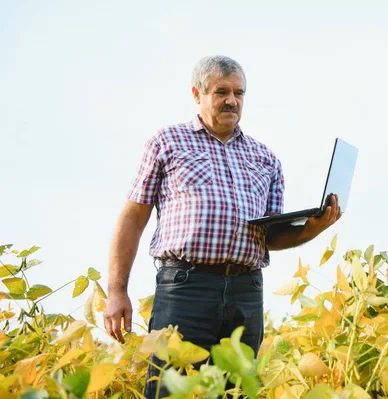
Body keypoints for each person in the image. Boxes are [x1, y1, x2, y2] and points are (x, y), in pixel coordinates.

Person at [103, 55, 341, 398]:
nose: (232, 100)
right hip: (185, 287)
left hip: (247, 290)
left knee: (236, 391)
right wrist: (116, 291)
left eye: (239, 93)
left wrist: (314, 228)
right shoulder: (167, 142)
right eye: (221, 91)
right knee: (172, 388)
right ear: (197, 94)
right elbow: (132, 217)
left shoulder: (266, 158)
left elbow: (270, 236)